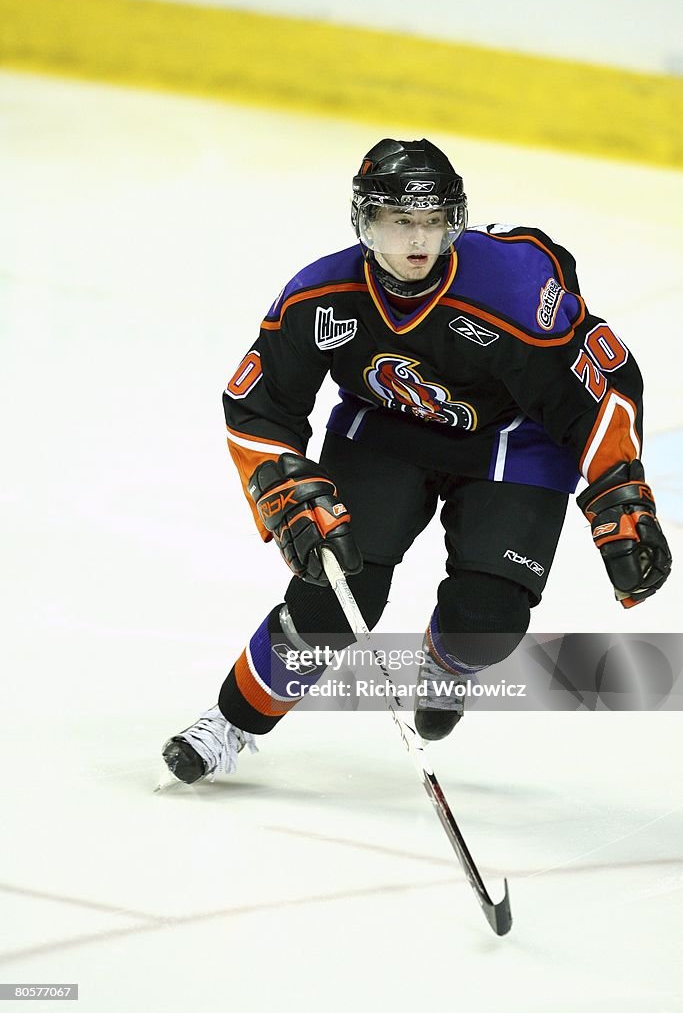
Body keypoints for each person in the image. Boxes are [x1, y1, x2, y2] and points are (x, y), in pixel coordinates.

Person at [162, 138, 672, 784]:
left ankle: (445, 664)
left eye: (433, 222)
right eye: (398, 221)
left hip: (512, 438)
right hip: (385, 429)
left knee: (486, 620)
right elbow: (259, 403)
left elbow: (597, 389)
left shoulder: (511, 294)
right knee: (332, 595)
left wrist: (619, 497)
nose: (417, 241)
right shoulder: (320, 297)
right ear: (364, 222)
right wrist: (286, 488)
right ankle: (230, 723)